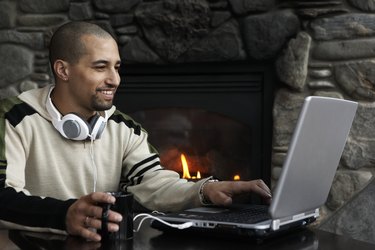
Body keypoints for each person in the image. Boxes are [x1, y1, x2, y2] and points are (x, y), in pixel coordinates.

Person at [0, 21, 272, 242]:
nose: (114, 79)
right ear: (63, 70)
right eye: (100, 67)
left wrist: (206, 190)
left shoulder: (123, 126)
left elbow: (153, 182)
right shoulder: (12, 118)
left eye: (116, 67)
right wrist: (63, 215)